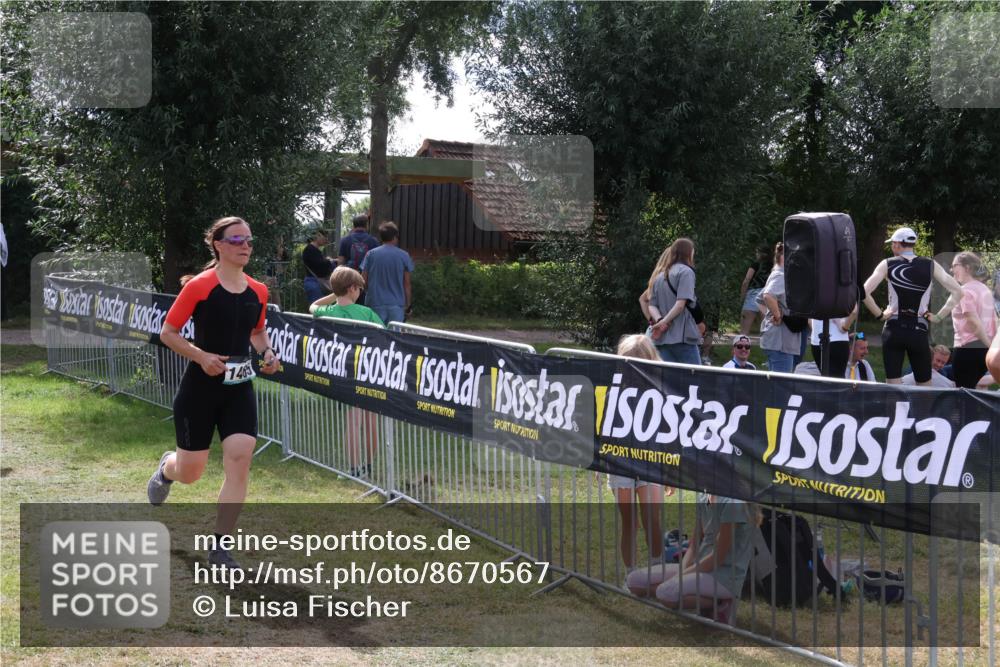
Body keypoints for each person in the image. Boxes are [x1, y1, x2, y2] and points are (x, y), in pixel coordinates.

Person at [147, 217, 278, 569]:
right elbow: (169, 333)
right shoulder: (200, 286)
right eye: (236, 240)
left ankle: (221, 546)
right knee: (191, 473)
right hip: (200, 389)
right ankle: (167, 469)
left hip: (239, 387)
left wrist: (267, 352)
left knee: (240, 457)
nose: (245, 246)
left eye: (249, 240)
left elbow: (257, 331)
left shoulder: (258, 291)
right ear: (218, 244)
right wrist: (201, 357)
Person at [627, 493, 759, 625]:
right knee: (634, 581)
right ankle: (705, 598)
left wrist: (679, 578)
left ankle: (720, 602)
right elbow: (694, 546)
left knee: (666, 593)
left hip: (725, 576)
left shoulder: (733, 503)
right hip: (701, 567)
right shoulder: (704, 497)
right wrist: (681, 573)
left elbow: (717, 558)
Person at [861, 226, 963, 385]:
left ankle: (897, 403)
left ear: (897, 244)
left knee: (893, 386)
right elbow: (958, 291)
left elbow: (863, 292)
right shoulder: (930, 265)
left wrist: (880, 315)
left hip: (893, 329)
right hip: (918, 329)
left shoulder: (887, 264)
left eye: (892, 244)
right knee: (924, 386)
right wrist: (938, 317)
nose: (892, 247)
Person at [311, 267, 384, 476]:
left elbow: (313, 306)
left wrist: (335, 293)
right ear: (352, 288)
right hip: (367, 370)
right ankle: (368, 465)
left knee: (352, 420)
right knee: (370, 420)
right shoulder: (366, 313)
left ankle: (354, 468)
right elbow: (384, 334)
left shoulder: (327, 311)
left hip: (342, 370)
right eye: (359, 288)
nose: (360, 292)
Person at [608, 335, 668, 586]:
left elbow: (668, 430)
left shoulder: (661, 389)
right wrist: (603, 460)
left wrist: (669, 469)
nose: (632, 367)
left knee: (652, 518)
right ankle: (631, 574)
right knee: (629, 521)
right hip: (620, 463)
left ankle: (657, 571)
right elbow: (605, 428)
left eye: (637, 361)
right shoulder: (614, 388)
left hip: (651, 462)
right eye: (627, 362)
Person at [639, 238, 702, 365]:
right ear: (689, 252)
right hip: (682, 338)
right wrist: (664, 321)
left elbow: (651, 305)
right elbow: (680, 305)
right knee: (694, 374)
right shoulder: (686, 272)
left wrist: (659, 320)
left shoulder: (659, 276)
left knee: (667, 375)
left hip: (662, 339)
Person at [949, 252, 998, 389]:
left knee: (964, 395)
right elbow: (994, 320)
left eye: (955, 265)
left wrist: (990, 346)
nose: (952, 270)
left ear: (967, 267)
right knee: (977, 390)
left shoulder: (963, 291)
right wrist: (991, 347)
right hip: (984, 351)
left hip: (968, 350)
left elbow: (974, 323)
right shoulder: (986, 290)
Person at [758, 242, 802, 373]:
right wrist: (777, 315)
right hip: (780, 342)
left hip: (779, 341)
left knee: (775, 382)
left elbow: (760, 300)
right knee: (781, 383)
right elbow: (767, 296)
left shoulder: (778, 274)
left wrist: (772, 313)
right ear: (784, 257)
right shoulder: (781, 276)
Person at [361, 222, 414, 325]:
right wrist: (408, 305)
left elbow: (363, 280)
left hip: (375, 302)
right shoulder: (404, 255)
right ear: (394, 237)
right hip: (396, 304)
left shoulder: (370, 254)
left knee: (375, 333)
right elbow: (407, 284)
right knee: (394, 334)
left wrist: (369, 292)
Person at [809, 306, 857, 379]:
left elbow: (809, 320)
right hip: (837, 340)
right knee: (836, 381)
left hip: (816, 340)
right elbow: (853, 311)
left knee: (825, 379)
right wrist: (845, 327)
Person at [739, 245, 771, 335]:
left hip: (753, 294)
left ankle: (742, 344)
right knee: (766, 332)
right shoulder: (774, 266)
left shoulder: (755, 264)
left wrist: (742, 297)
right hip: (767, 296)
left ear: (759, 253)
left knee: (744, 331)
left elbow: (746, 280)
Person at [302, 228, 335, 305]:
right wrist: (330, 262)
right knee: (317, 309)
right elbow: (320, 267)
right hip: (314, 283)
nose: (326, 240)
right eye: (325, 237)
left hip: (316, 282)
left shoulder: (314, 250)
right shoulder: (310, 250)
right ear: (318, 235)